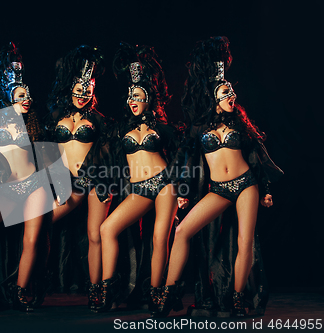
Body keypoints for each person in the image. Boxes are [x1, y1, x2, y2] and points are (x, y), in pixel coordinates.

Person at [158, 36, 283, 317]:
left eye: (232, 94)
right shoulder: (198, 127)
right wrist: (181, 192)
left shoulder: (241, 122)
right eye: (225, 94)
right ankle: (168, 294)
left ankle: (238, 299)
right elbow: (185, 161)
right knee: (181, 231)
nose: (232, 97)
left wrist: (264, 189)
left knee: (244, 241)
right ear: (213, 97)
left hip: (246, 185)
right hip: (219, 189)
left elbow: (257, 156)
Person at [96, 43, 180, 314]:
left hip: (165, 183)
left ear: (149, 98)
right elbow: (107, 157)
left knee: (159, 238)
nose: (132, 100)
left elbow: (182, 156)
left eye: (138, 95)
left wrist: (185, 189)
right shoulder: (120, 129)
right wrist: (102, 182)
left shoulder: (163, 128)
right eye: (130, 95)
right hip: (139, 188)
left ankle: (158, 296)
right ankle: (107, 291)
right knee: (107, 229)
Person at [0, 42, 49, 312]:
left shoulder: (32, 122)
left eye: (28, 95)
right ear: (8, 95)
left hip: (34, 185)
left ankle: (21, 291)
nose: (26, 99)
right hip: (6, 191)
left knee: (31, 240)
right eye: (20, 94)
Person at [44, 45, 112, 310]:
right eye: (78, 88)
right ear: (69, 87)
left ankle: (96, 290)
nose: (83, 94)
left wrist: (105, 180)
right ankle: (37, 281)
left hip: (93, 181)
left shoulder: (99, 120)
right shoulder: (54, 116)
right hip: (66, 185)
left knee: (94, 235)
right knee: (41, 223)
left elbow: (108, 154)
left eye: (88, 89)